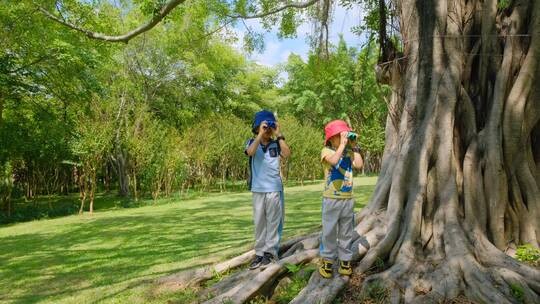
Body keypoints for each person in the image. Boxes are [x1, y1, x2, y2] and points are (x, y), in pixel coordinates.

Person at [245, 110, 291, 270]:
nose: (266, 130)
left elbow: (287, 153)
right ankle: (259, 253)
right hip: (258, 189)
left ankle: (270, 252)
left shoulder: (276, 143)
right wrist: (259, 135)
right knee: (259, 222)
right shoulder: (252, 142)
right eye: (263, 126)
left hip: (274, 189)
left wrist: (279, 134)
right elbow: (250, 152)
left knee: (273, 221)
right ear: (257, 127)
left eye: (268, 127)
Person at [319, 119, 363, 278]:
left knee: (346, 231)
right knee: (329, 231)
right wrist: (343, 145)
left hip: (347, 199)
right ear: (331, 138)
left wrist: (354, 146)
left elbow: (358, 165)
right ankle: (328, 262)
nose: (343, 137)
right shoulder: (326, 151)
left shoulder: (349, 152)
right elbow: (333, 161)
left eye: (344, 134)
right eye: (339, 135)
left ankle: (345, 261)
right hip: (331, 199)